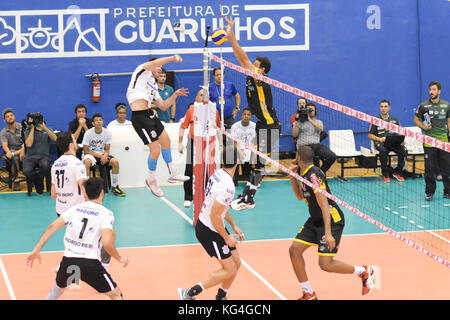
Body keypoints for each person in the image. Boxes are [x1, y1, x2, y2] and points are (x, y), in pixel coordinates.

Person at [288, 146, 376, 300]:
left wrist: (328, 233)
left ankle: (363, 271)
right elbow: (300, 197)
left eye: (296, 155)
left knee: (325, 264)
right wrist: (292, 176)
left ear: (299, 158)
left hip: (331, 219)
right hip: (315, 219)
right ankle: (308, 293)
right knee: (294, 250)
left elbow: (324, 205)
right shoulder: (303, 173)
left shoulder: (314, 175)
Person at [26, 177, 129, 300]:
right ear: (102, 193)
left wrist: (36, 250)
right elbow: (107, 243)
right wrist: (119, 258)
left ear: (84, 193)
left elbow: (52, 226)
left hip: (67, 261)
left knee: (55, 292)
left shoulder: (74, 209)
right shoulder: (106, 214)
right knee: (117, 295)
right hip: (90, 263)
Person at [224, 16, 282, 210]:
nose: (252, 66)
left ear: (262, 69)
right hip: (264, 125)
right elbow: (243, 61)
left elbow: (242, 58)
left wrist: (231, 37)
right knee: (256, 164)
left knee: (259, 164)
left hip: (271, 126)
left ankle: (249, 199)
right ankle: (247, 197)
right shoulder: (252, 76)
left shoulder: (260, 78)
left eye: (256, 64)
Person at [177, 145, 245, 301]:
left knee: (236, 263)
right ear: (237, 162)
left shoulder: (219, 174)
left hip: (215, 225)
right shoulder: (228, 187)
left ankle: (221, 295)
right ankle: (189, 293)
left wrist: (233, 225)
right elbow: (215, 216)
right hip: (209, 230)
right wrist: (227, 238)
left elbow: (221, 210)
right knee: (229, 269)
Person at [126, 55, 190, 197]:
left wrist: (175, 95)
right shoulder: (141, 71)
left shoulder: (153, 85)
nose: (160, 71)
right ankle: (152, 179)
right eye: (158, 68)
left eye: (161, 70)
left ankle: (173, 173)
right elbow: (154, 63)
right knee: (155, 150)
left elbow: (163, 105)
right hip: (140, 117)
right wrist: (173, 58)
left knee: (166, 141)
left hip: (150, 114)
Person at [178, 90, 221, 207]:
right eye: (201, 95)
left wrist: (221, 145)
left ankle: (209, 195)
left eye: (205, 95)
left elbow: (218, 129)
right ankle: (188, 197)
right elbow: (183, 127)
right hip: (193, 142)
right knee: (189, 169)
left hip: (208, 143)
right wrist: (180, 142)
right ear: (197, 98)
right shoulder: (191, 111)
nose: (203, 97)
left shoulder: (214, 111)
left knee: (209, 169)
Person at [413, 81, 450, 201]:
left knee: (446, 167)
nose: (431, 92)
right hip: (429, 141)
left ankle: (447, 191)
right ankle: (430, 193)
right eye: (430, 89)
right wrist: (423, 127)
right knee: (429, 168)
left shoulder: (446, 105)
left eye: (434, 89)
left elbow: (449, 122)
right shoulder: (423, 105)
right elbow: (416, 119)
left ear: (439, 91)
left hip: (443, 141)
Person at [82, 113, 125, 197]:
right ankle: (86, 188)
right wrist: (101, 156)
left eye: (100, 120)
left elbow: (107, 149)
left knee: (115, 161)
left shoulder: (107, 133)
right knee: (87, 162)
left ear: (102, 122)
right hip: (91, 155)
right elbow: (86, 151)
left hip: (102, 154)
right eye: (96, 120)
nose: (98, 122)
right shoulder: (88, 133)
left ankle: (115, 187)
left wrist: (105, 156)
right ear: (93, 123)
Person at [291, 102, 336, 176]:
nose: (309, 112)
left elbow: (321, 129)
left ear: (315, 112)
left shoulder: (318, 122)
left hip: (316, 145)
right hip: (304, 146)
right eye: (307, 110)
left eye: (311, 110)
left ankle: (321, 172)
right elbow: (294, 135)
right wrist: (298, 121)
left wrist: (309, 119)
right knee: (312, 164)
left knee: (332, 156)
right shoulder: (298, 122)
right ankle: (310, 174)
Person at [368, 100, 407, 182]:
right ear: (379, 108)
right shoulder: (376, 120)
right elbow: (370, 135)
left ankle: (397, 172)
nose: (383, 108)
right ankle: (385, 174)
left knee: (403, 150)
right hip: (381, 143)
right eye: (381, 106)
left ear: (389, 108)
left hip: (393, 143)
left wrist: (401, 140)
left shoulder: (395, 120)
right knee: (383, 151)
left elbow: (401, 133)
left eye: (385, 106)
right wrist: (379, 139)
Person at [51, 132, 88, 217]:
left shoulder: (55, 164)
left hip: (61, 211)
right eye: (74, 139)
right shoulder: (77, 164)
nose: (76, 141)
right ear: (71, 145)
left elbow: (53, 194)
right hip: (76, 210)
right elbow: (85, 191)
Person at [23, 114, 57, 195]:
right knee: (26, 170)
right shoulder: (28, 131)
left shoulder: (48, 130)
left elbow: (56, 139)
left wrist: (44, 127)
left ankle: (39, 183)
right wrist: (32, 128)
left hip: (44, 157)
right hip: (30, 157)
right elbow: (28, 144)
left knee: (45, 165)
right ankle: (37, 181)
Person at [230, 108, 256, 187]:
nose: (246, 116)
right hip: (238, 148)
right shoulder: (235, 126)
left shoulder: (254, 126)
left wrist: (250, 152)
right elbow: (234, 143)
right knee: (235, 156)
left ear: (251, 116)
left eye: (248, 115)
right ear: (241, 115)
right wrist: (240, 152)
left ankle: (250, 180)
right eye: (244, 114)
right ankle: (234, 181)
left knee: (254, 157)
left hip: (249, 149)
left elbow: (253, 143)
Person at [1, 108, 25, 190]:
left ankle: (29, 178)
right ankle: (16, 180)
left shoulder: (22, 128)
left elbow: (26, 143)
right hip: (12, 150)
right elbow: (4, 145)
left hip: (23, 149)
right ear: (4, 120)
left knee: (19, 154)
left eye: (11, 115)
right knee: (13, 157)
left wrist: (23, 150)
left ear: (14, 117)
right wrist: (8, 152)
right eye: (7, 116)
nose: (10, 117)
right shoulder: (3, 132)